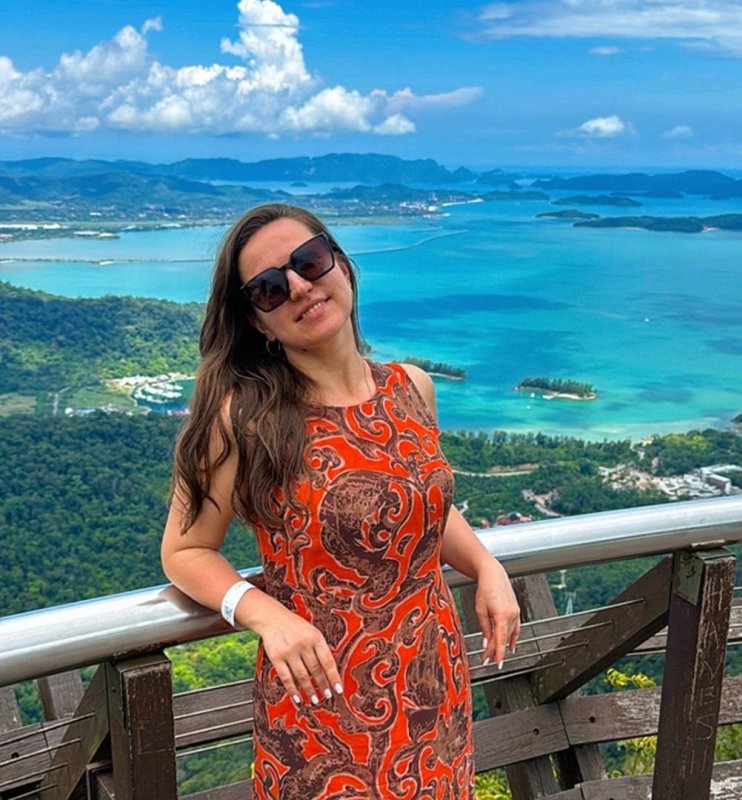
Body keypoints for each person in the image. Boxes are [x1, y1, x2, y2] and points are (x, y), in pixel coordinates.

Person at [161, 204, 521, 799]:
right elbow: (185, 550)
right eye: (270, 288)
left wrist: (486, 567)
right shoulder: (244, 419)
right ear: (257, 321)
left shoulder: (411, 387)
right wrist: (265, 615)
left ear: (342, 266)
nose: (300, 287)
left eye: (309, 261)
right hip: (323, 712)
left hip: (432, 685)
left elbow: (421, 505)